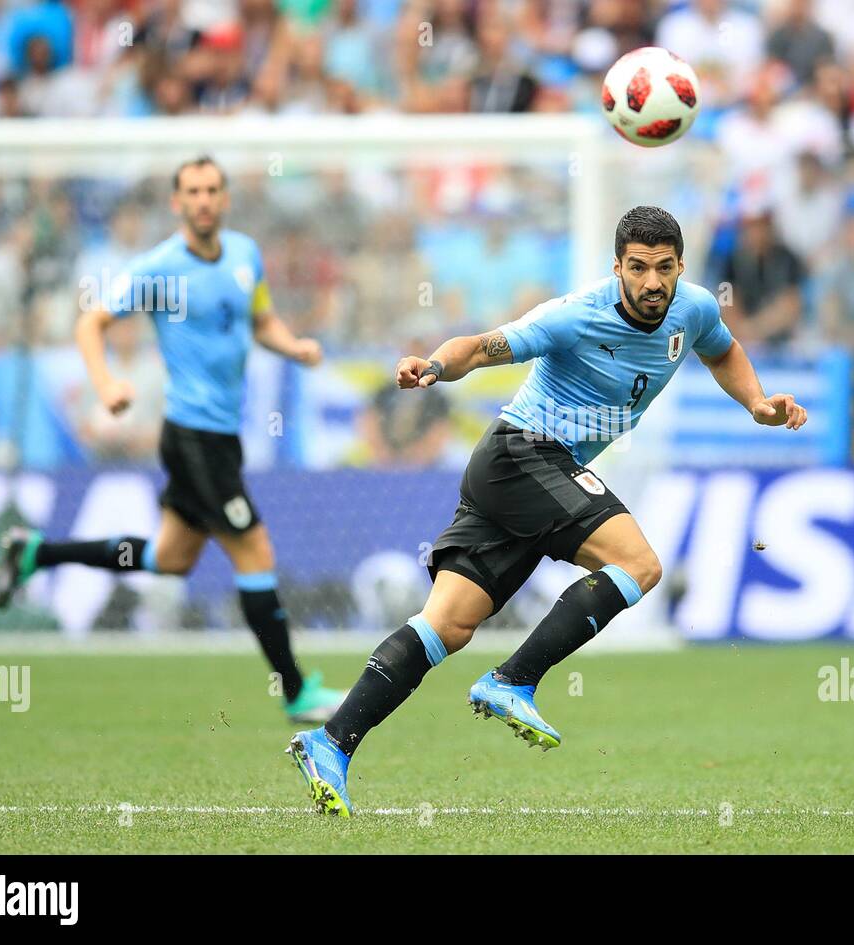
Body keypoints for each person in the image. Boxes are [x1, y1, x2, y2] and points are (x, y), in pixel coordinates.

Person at [286, 206, 808, 816]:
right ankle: (512, 680)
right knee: (637, 565)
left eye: (663, 268)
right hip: (522, 454)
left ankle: (330, 742)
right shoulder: (575, 317)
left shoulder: (693, 309)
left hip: (527, 477)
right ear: (617, 268)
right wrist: (432, 366)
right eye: (637, 268)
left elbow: (722, 351)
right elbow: (482, 348)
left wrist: (756, 403)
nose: (651, 283)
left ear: (680, 268)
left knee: (446, 625)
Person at [0, 156, 345, 724]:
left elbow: (259, 321)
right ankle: (296, 690)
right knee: (254, 550)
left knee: (170, 558)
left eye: (212, 189)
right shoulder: (157, 269)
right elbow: (90, 323)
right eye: (192, 192)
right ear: (177, 203)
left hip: (221, 439)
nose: (203, 199)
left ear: (225, 199)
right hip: (191, 438)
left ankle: (34, 552)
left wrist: (294, 346)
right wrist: (105, 383)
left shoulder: (244, 255)